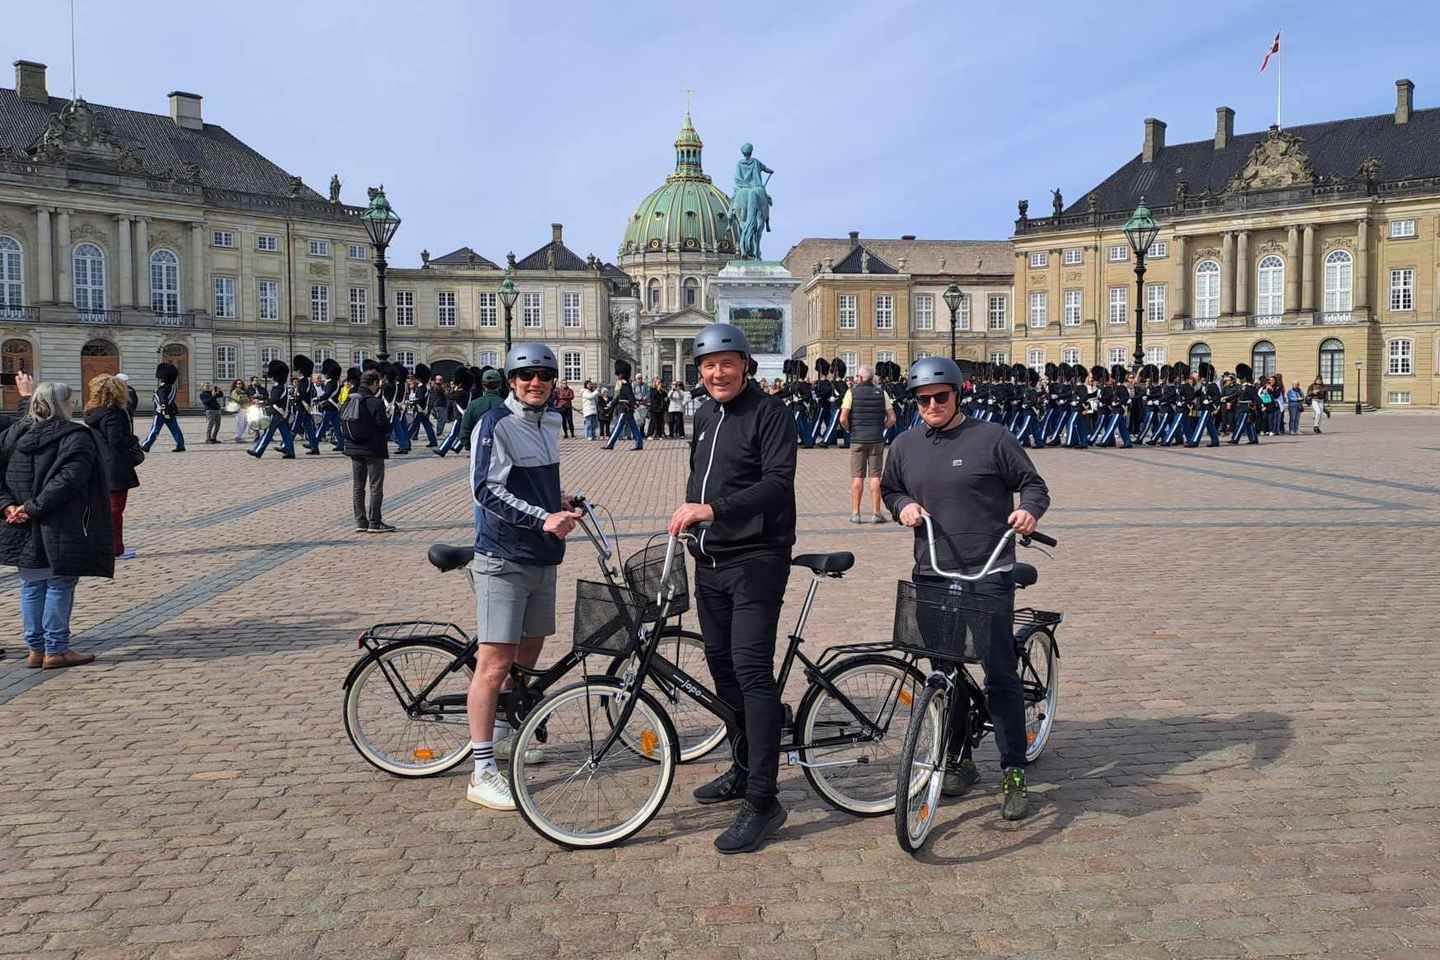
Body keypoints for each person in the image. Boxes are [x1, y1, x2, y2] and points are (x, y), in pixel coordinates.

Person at [880, 356, 1050, 822]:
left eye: (941, 397)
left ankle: (1013, 769)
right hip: (933, 570)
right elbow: (890, 489)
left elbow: (1033, 485)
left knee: (999, 672)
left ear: (957, 395)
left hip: (987, 569)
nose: (932, 405)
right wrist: (902, 505)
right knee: (944, 670)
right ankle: (959, 757)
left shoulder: (992, 438)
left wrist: (1028, 511)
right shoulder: (905, 445)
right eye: (923, 400)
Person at [667, 323, 797, 854]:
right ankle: (743, 767)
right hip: (711, 561)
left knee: (751, 674)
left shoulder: (771, 414)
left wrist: (713, 510)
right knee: (722, 671)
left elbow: (777, 484)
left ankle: (764, 801)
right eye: (708, 366)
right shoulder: (704, 415)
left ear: (746, 365)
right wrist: (695, 519)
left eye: (726, 363)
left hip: (757, 559)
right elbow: (702, 476)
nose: (717, 373)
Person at [465, 342, 580, 811]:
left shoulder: (550, 421)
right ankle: (481, 771)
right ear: (512, 381)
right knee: (494, 664)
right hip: (504, 555)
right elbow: (485, 490)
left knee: (527, 658)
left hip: (542, 555)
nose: (536, 383)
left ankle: (507, 732)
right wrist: (542, 517)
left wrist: (559, 503)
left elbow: (534, 483)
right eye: (526, 376)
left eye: (544, 376)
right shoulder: (496, 423)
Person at [0, 381, 114, 669]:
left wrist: (9, 506)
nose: (74, 403)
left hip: (19, 522)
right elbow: (68, 480)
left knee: (32, 584)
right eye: (71, 399)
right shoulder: (76, 436)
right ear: (63, 404)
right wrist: (30, 507)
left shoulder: (14, 434)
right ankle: (56, 649)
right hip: (60, 522)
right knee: (59, 584)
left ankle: (35, 649)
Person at [84, 374, 142, 561]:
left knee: (104, 509)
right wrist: (133, 440)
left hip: (99, 464)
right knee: (115, 509)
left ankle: (101, 546)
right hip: (115, 466)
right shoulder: (114, 413)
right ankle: (115, 549)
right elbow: (116, 440)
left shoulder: (92, 413)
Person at [839, 365, 895, 523]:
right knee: (875, 476)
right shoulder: (882, 392)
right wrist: (882, 427)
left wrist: (849, 429)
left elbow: (843, 418)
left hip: (857, 439)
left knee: (857, 477)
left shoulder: (851, 392)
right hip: (876, 439)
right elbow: (892, 418)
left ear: (861, 378)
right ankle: (876, 513)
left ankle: (855, 513)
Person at [343, 369, 392, 533]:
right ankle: (374, 522)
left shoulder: (349, 399)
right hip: (373, 449)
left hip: (354, 448)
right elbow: (384, 426)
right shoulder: (375, 402)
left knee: (358, 486)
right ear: (374, 383)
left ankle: (360, 521)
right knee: (375, 486)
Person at [247, 360, 296, 459]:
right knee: (286, 434)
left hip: (276, 413)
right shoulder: (282, 386)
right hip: (281, 413)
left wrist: (262, 402)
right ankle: (290, 451)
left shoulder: (278, 387)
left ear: (276, 376)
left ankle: (258, 450)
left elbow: (273, 400)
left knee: (268, 433)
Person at [140, 361, 186, 452]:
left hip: (161, 412)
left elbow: (163, 401)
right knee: (175, 429)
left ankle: (146, 445)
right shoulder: (172, 387)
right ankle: (180, 445)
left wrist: (164, 411)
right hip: (171, 411)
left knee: (155, 429)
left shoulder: (163, 388)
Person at [602, 361, 643, 451]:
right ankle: (639, 443)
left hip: (624, 408)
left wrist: (634, 404)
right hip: (626, 408)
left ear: (622, 374)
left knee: (618, 426)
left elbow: (630, 396)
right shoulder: (623, 384)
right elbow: (618, 397)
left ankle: (610, 444)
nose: (618, 376)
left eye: (619, 375)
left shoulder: (625, 384)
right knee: (633, 427)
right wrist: (611, 404)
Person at [459, 368, 506, 444]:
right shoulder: (506, 405)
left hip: (478, 445)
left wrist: (471, 446)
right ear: (500, 385)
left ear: (483, 385)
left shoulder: (473, 405)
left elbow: (465, 431)